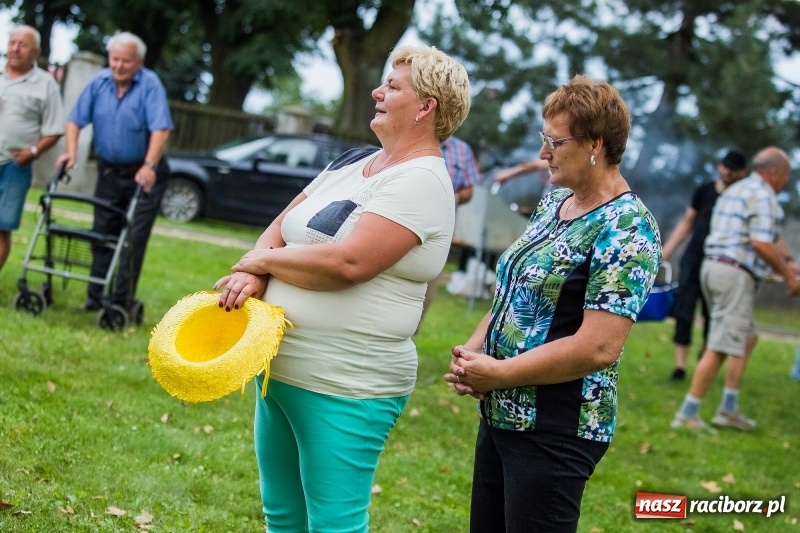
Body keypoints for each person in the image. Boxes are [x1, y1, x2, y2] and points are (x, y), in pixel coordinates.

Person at [214, 45, 471, 532]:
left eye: (393, 86)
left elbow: (349, 262)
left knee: (335, 524)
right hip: (280, 369)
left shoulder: (421, 180)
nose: (377, 91)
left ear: (426, 106)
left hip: (347, 383)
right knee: (283, 517)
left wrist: (260, 262)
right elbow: (282, 225)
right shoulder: (353, 162)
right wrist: (254, 272)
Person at [443, 75, 661, 532]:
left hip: (557, 428)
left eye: (554, 141)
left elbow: (599, 347)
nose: (543, 153)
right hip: (504, 412)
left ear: (595, 145)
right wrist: (475, 351)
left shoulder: (628, 228)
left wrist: (500, 373)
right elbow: (515, 291)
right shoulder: (554, 202)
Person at [672, 147, 800, 432]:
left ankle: (728, 408)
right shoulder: (763, 194)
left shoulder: (736, 191)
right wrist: (788, 278)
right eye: (786, 175)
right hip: (733, 273)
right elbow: (761, 244)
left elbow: (769, 236)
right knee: (720, 345)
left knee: (746, 337)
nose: (787, 182)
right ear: (774, 172)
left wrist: (788, 263)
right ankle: (687, 413)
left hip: (713, 268)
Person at [56, 32, 173, 312]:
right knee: (102, 232)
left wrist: (149, 165)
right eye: (114, 59)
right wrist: (71, 151)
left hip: (144, 174)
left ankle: (119, 302)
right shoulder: (98, 82)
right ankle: (95, 299)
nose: (119, 66)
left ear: (139, 62)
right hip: (109, 173)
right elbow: (74, 121)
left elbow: (161, 128)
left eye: (126, 61)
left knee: (133, 239)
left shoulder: (150, 85)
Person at [661, 149, 749, 380]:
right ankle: (680, 366)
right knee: (684, 310)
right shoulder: (704, 191)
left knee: (713, 315)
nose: (726, 171)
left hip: (720, 262)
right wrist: (666, 252)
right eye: (724, 166)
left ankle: (704, 360)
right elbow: (688, 222)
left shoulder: (740, 198)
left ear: (742, 173)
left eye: (732, 169)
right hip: (694, 258)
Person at [0, 25, 65, 274]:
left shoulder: (46, 84)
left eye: (22, 44)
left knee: (2, 227)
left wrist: (33, 152)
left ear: (36, 52)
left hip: (14, 166)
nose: (15, 48)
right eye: (12, 42)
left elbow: (55, 129)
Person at [415, 134, 479, 334]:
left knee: (429, 283)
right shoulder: (414, 139)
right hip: (410, 214)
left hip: (441, 226)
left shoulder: (463, 149)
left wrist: (456, 195)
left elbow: (470, 190)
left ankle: (411, 336)